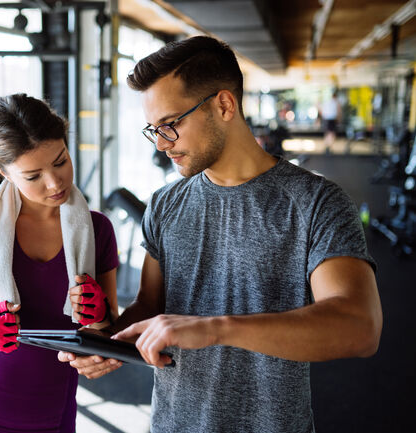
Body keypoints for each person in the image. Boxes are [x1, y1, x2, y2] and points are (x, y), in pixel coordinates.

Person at [59, 36, 382, 432]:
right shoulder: (165, 204)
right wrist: (112, 343)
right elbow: (149, 304)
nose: (161, 144)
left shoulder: (315, 202)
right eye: (153, 129)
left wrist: (215, 328)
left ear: (224, 105)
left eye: (171, 125)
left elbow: (359, 326)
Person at [0, 93, 119, 433]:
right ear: (5, 172)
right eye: (33, 176)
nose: (54, 182)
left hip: (52, 416)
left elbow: (109, 330)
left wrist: (99, 314)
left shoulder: (97, 230)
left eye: (60, 161)